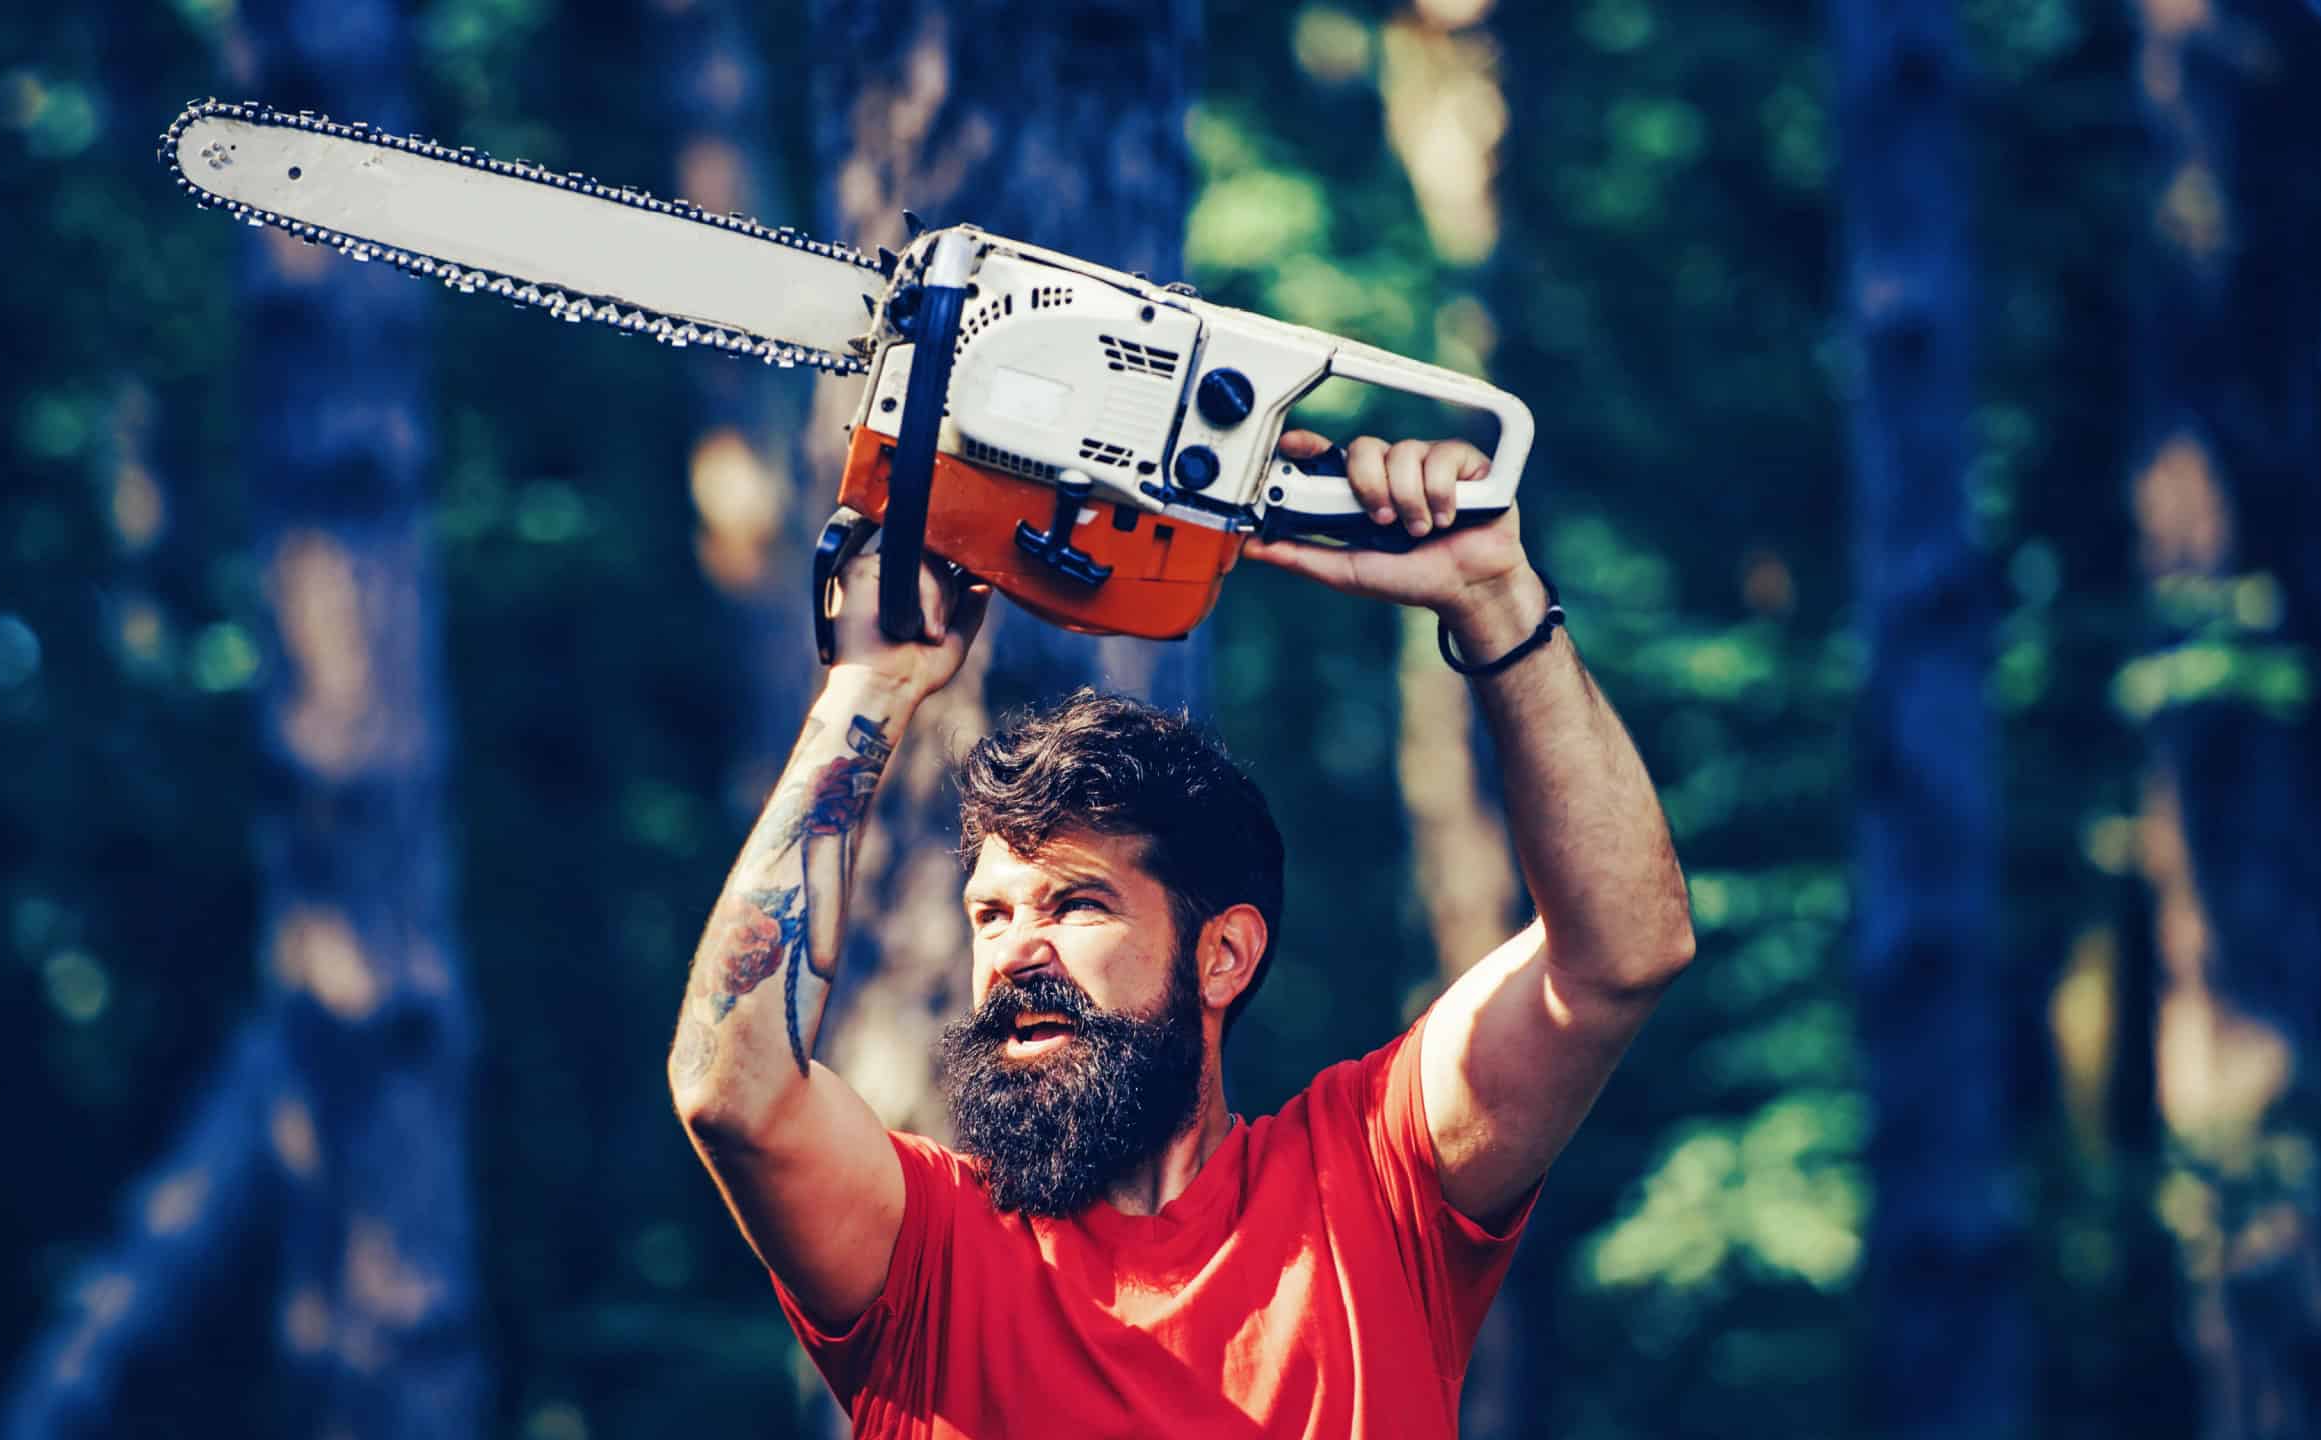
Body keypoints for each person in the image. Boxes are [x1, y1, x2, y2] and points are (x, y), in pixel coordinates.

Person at [668, 429, 1695, 1437]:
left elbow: (1618, 956)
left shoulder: (1369, 1184)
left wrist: (1492, 598)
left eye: (1075, 904)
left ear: (1224, 955)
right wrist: (868, 687)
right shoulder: (929, 1251)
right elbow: (732, 1087)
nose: (1016, 951)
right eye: (990, 913)